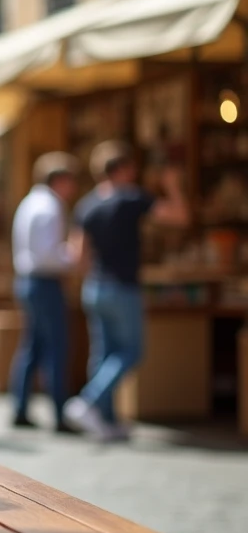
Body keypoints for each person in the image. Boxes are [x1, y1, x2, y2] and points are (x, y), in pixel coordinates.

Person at [65, 141, 190, 441]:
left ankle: (107, 422)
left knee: (104, 354)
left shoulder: (87, 205)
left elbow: (77, 254)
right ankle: (89, 402)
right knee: (131, 352)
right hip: (123, 287)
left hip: (94, 286)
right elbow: (180, 217)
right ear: (122, 169)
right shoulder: (132, 198)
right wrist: (173, 186)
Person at [9, 152, 81, 432]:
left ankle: (21, 406)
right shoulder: (50, 207)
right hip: (45, 282)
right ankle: (60, 413)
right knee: (56, 347)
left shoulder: (29, 203)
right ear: (61, 180)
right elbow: (49, 256)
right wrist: (75, 257)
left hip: (28, 281)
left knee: (33, 346)